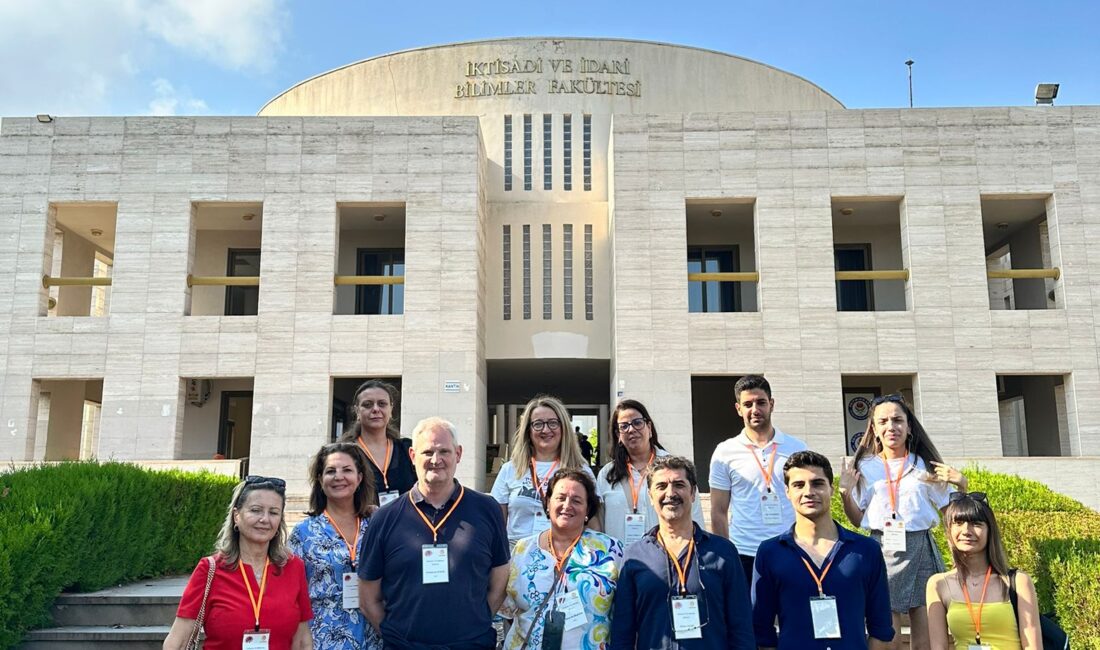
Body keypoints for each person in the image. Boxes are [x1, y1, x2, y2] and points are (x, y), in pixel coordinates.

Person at [358, 417, 510, 649]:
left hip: (471, 645)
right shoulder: (385, 518)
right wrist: (396, 637)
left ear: (458, 454)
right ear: (412, 456)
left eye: (444, 452)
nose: (435, 460)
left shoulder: (486, 509)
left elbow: (499, 578)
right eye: (427, 452)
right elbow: (369, 598)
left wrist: (475, 624)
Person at [839, 394, 968, 650]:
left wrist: (961, 485)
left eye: (898, 420)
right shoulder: (864, 467)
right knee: (888, 637)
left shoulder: (924, 464)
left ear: (909, 426)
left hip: (920, 548)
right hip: (880, 549)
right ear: (874, 429)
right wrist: (845, 494)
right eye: (883, 421)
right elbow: (857, 520)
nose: (891, 427)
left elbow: (950, 513)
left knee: (927, 638)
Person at [753, 451, 894, 649]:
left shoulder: (866, 551)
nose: (808, 492)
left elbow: (881, 627)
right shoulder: (770, 552)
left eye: (817, 483)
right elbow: (762, 630)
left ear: (832, 489)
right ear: (787, 492)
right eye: (798, 485)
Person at [611, 455, 755, 650]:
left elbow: (741, 626)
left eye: (679, 485)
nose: (670, 493)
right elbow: (623, 631)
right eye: (661, 486)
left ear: (693, 493)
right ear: (651, 496)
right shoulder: (635, 556)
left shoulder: (723, 552)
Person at [164, 476, 312, 650]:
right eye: (255, 510)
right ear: (236, 516)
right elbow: (178, 641)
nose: (264, 519)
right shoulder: (210, 569)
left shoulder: (294, 568)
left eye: (273, 512)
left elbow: (302, 640)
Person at [501, 469, 623, 650]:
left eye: (576, 500)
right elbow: (509, 612)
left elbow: (625, 614)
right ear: (548, 503)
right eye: (560, 498)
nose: (567, 505)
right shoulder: (522, 549)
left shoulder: (611, 551)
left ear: (588, 509)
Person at [708, 375, 808, 583]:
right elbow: (718, 510)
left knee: (790, 614)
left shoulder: (797, 448)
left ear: (771, 404)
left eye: (761, 402)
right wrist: (726, 555)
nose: (755, 409)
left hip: (790, 548)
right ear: (738, 409)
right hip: (744, 553)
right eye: (747, 404)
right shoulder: (725, 452)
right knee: (751, 616)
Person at [289, 442, 381, 649]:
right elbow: (292, 593)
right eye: (331, 471)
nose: (339, 476)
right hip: (322, 639)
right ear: (320, 480)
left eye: (347, 470)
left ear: (359, 478)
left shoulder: (376, 525)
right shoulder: (303, 533)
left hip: (374, 638)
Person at [926, 492, 1042, 650]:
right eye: (958, 523)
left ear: (990, 531)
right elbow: (938, 647)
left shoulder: (1018, 582)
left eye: (976, 523)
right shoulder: (938, 584)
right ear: (949, 530)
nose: (966, 530)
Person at [491, 395, 597, 546]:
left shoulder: (581, 470)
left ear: (563, 427)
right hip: (518, 558)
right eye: (538, 424)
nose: (546, 430)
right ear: (528, 430)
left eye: (553, 423)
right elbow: (496, 523)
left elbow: (593, 525)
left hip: (566, 557)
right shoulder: (510, 469)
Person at [596, 399, 704, 545]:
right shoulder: (607, 475)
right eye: (624, 426)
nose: (631, 429)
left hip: (665, 559)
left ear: (649, 427)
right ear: (618, 435)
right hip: (619, 562)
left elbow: (694, 516)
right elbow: (599, 525)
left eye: (637, 423)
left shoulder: (674, 468)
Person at [339, 379, 415, 505]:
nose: (375, 409)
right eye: (367, 404)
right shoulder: (344, 453)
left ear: (391, 409)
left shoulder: (408, 449)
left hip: (406, 523)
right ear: (357, 411)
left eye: (382, 404)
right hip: (362, 524)